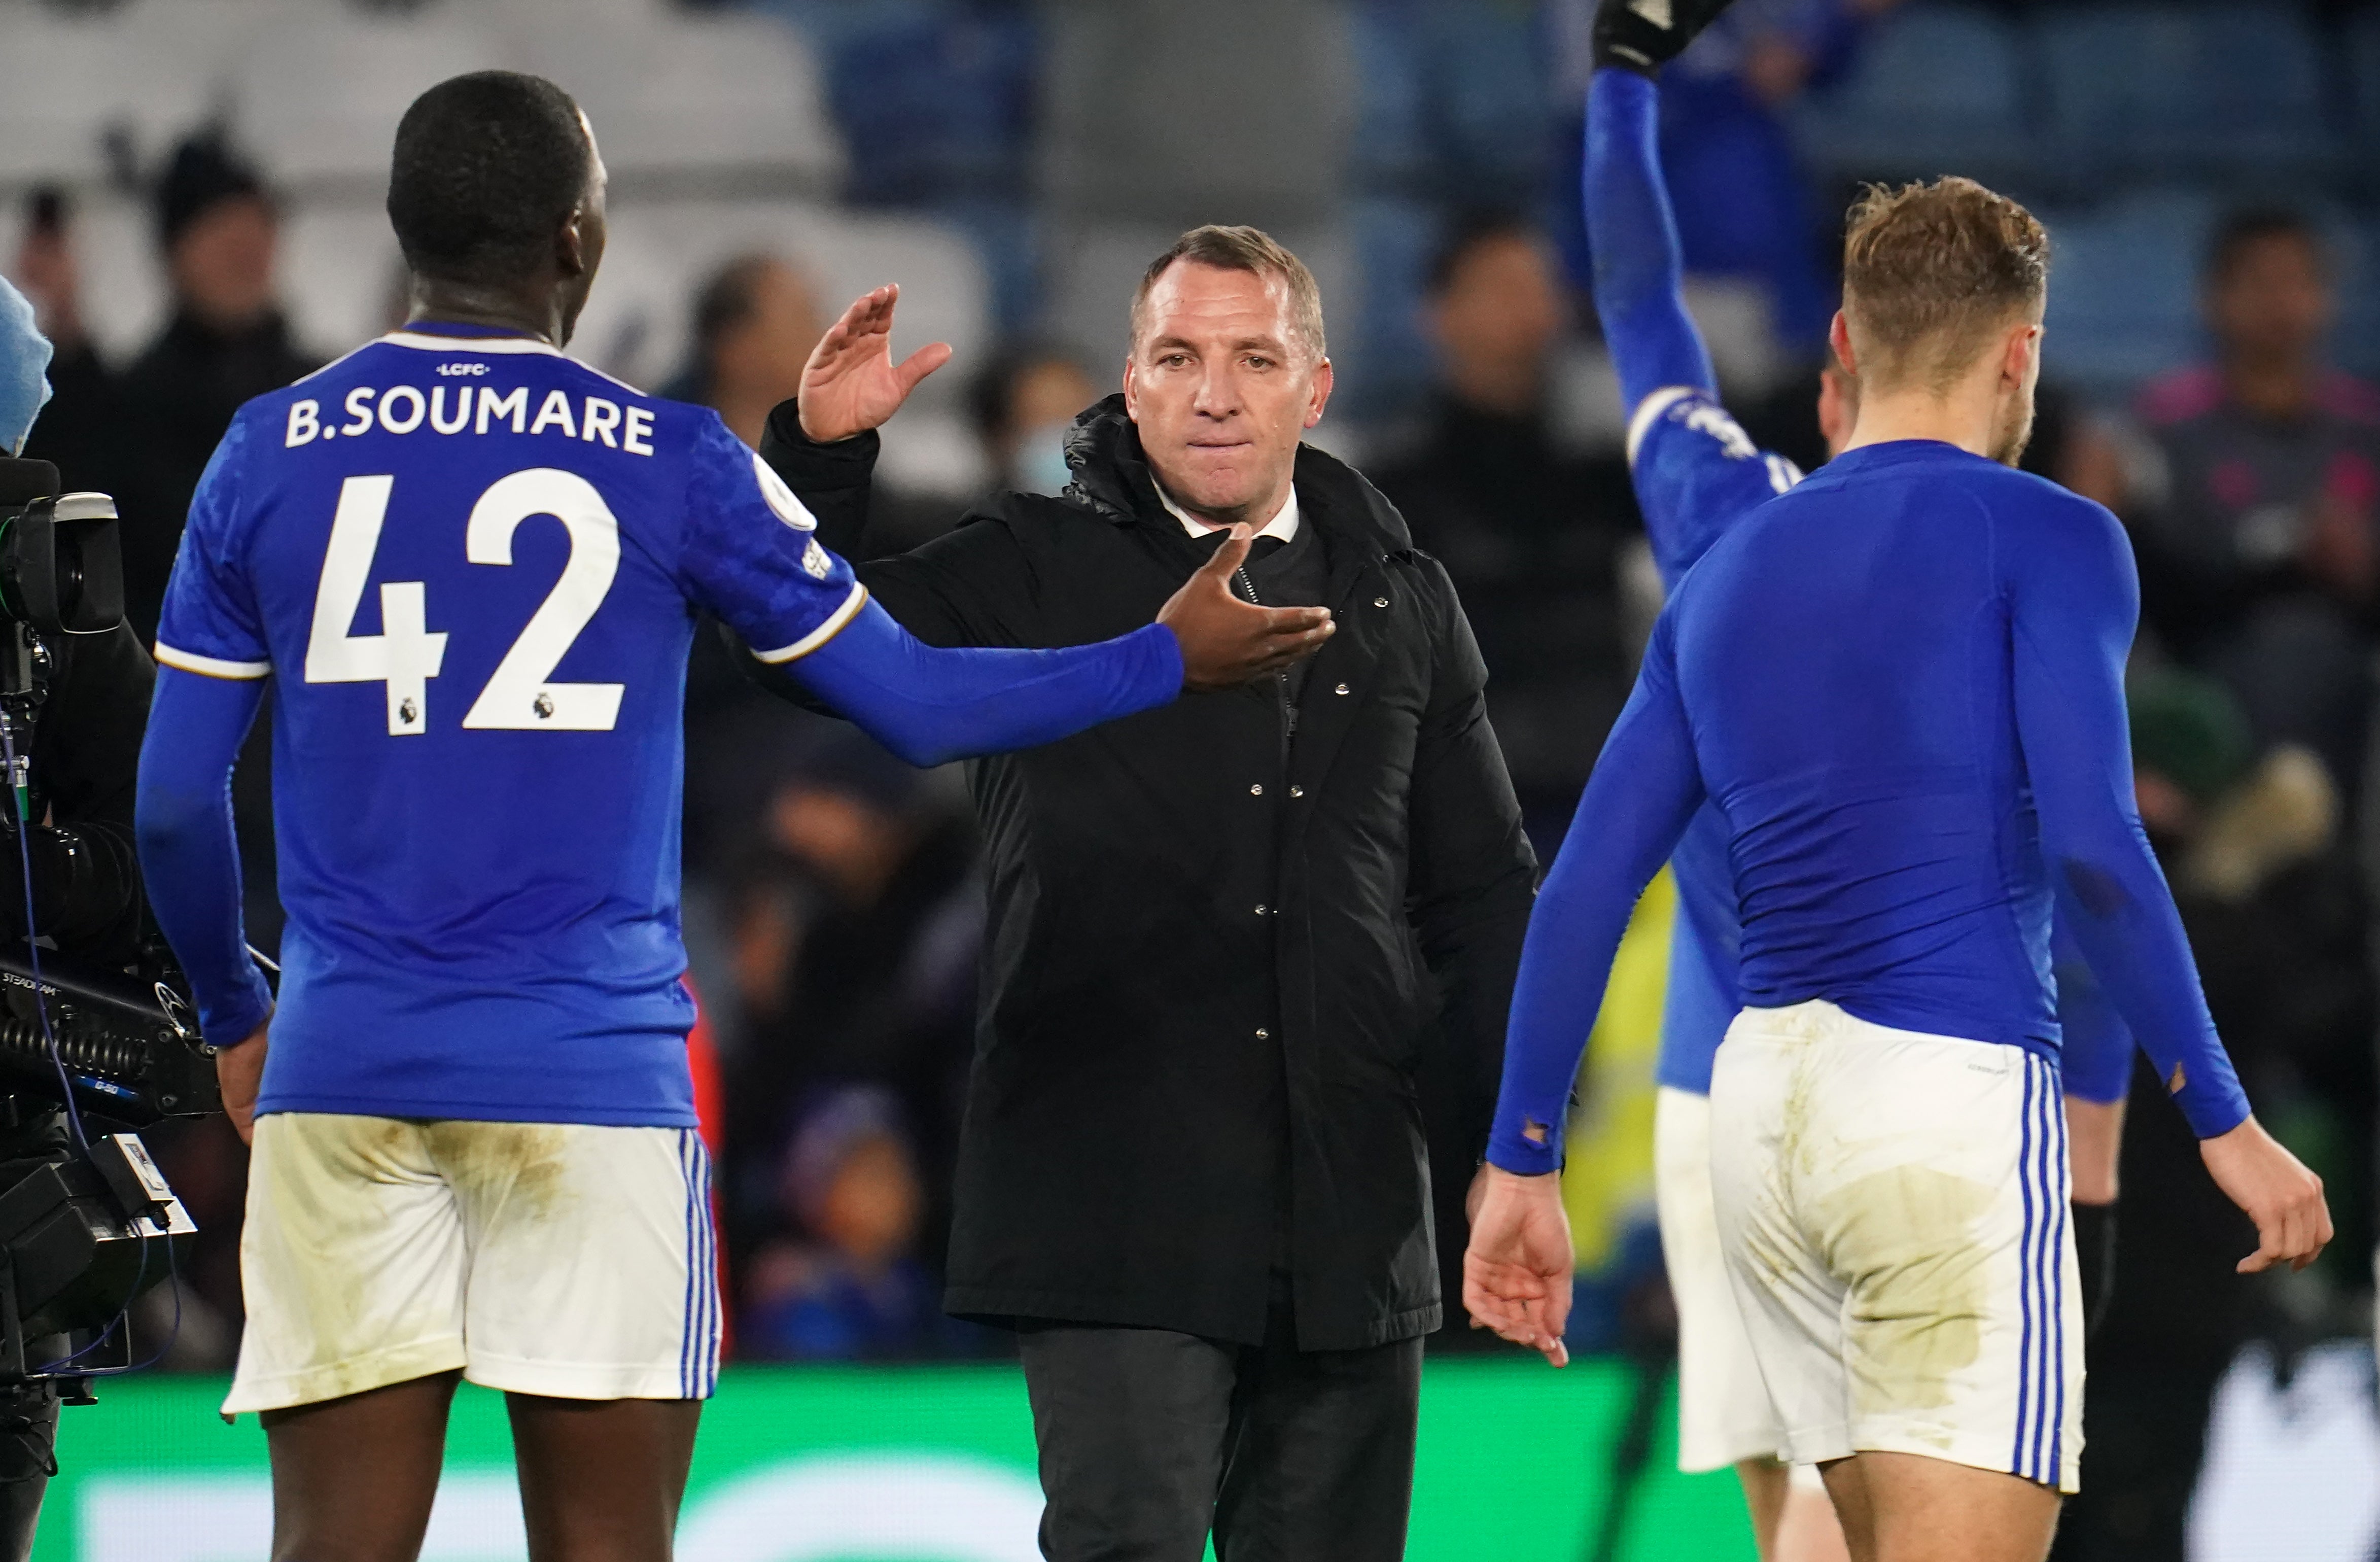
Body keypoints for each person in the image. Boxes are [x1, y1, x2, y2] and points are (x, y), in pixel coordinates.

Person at [130, 72, 1329, 1562]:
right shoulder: (673, 461)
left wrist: (238, 1011)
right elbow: (914, 704)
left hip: (347, 1065)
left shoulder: (270, 452)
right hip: (590, 1086)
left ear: (400, 230)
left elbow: (178, 804)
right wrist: (1160, 657)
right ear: (580, 242)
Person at [1466, 159, 2333, 1562]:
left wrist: (1518, 1160)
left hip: (1761, 1118)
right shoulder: (2055, 535)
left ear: (1842, 347)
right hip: (1943, 1105)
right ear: (2019, 354)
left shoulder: (1729, 569)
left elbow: (1575, 887)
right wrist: (2223, 1120)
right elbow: (2098, 856)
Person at [753, 225, 1538, 1558]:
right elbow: (804, 652)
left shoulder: (1404, 595)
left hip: (1350, 1223)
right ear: (1131, 376)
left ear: (1317, 387)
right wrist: (822, 463)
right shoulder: (1026, 561)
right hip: (1108, 1200)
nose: (1213, 392)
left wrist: (1520, 1154)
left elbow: (1478, 896)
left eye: (1251, 358)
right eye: (1177, 356)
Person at [1571, 12, 2138, 1558]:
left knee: (1810, 1544)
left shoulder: (1721, 527)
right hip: (1946, 1094)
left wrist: (1622, 76)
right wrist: (2097, 1117)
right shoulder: (2024, 573)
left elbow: (1636, 294)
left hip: (1727, 1109)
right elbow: (2078, 877)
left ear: (1837, 381)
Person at [1368, 213, 1642, 824]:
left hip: (1601, 799)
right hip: (1462, 812)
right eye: (1501, 287)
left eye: (1540, 286)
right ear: (1438, 314)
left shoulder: (1604, 482)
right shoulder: (1391, 494)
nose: (1527, 309)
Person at [2123, 210, 2380, 801]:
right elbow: (2160, 588)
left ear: (2327, 299)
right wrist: (2281, 556)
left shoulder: (2366, 427)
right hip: (2216, 680)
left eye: (2298, 283)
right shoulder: (2166, 426)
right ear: (2214, 298)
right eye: (2260, 283)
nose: (2280, 305)